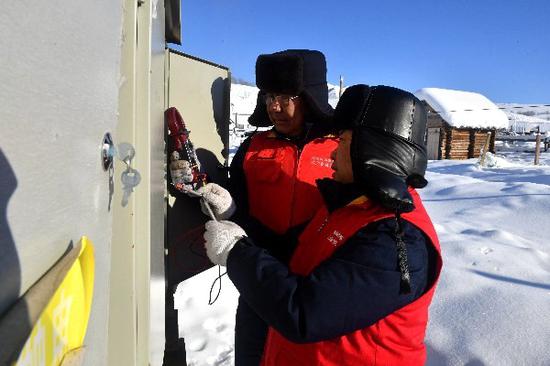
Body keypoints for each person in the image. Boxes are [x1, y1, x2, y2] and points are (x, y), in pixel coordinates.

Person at [202, 84, 443, 365]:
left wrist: (236, 253)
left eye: (342, 143)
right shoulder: (349, 209)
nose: (331, 154)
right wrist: (234, 215)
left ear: (370, 151)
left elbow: (304, 312)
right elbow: (288, 255)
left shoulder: (395, 238)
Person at [198, 49, 339, 365]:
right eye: (269, 96)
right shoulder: (252, 147)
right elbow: (240, 205)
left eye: (286, 96)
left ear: (309, 97)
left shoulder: (340, 149)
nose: (275, 106)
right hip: (258, 286)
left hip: (314, 294)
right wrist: (229, 207)